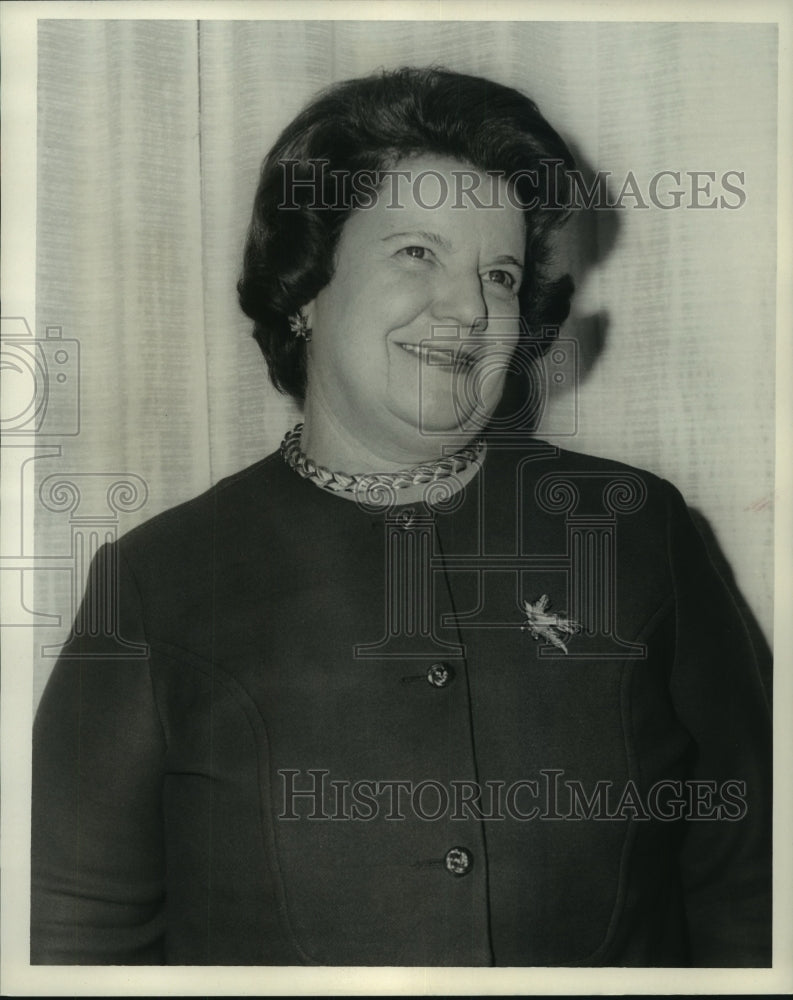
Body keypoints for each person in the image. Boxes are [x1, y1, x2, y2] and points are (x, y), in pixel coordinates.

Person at [31, 66, 771, 967]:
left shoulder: (631, 530)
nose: (468, 308)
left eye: (498, 274)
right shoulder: (157, 582)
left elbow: (754, 884)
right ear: (305, 289)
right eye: (417, 251)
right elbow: (68, 934)